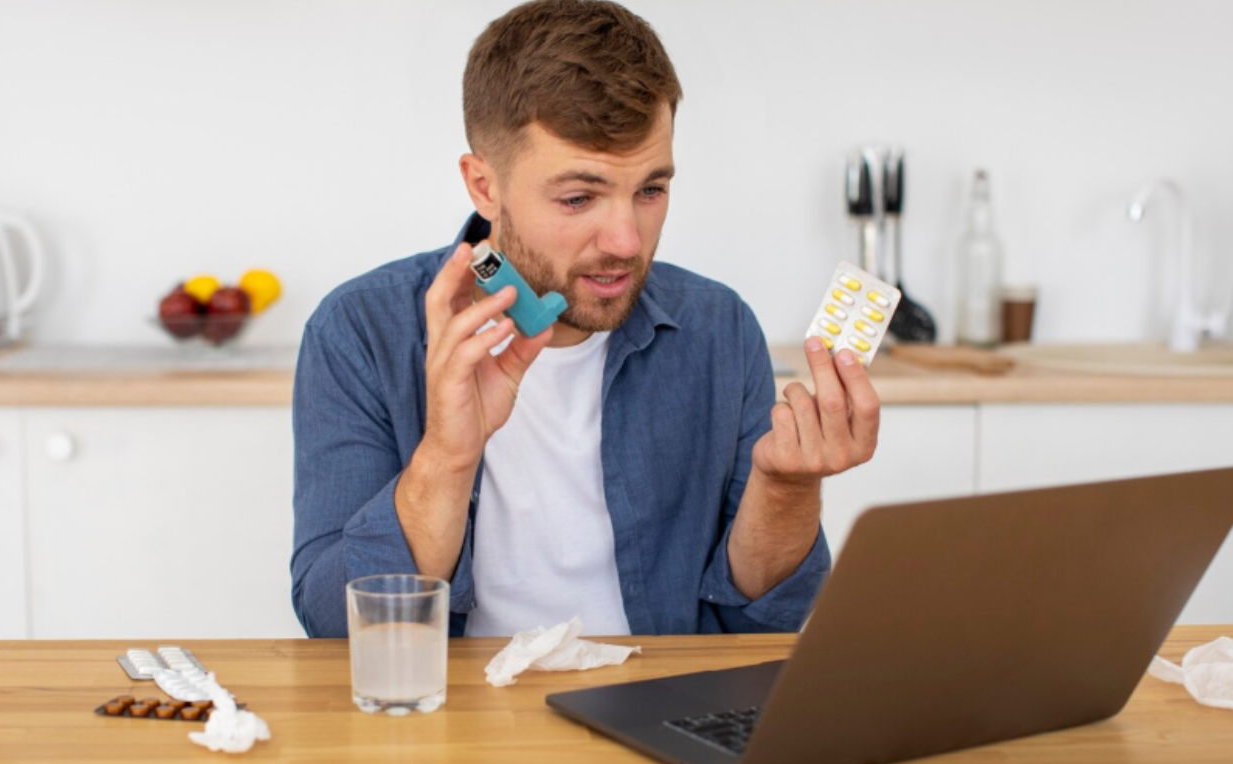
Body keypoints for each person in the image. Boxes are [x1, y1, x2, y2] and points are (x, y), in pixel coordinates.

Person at [290, 0, 880, 639]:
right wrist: (446, 457)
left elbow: (761, 622)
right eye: (578, 198)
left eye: (651, 190)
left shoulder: (718, 329)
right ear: (484, 186)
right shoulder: (360, 330)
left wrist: (788, 489)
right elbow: (334, 628)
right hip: (453, 724)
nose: (627, 241)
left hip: (658, 717)